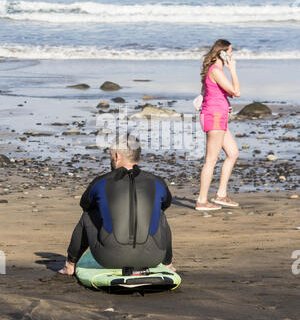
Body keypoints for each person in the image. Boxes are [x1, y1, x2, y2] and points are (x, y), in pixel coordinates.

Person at [59, 133, 175, 275]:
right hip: (153, 257)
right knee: (160, 215)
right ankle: (168, 264)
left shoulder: (101, 182)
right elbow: (166, 203)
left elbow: (85, 204)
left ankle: (70, 265)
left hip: (109, 258)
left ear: (117, 156)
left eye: (111, 155)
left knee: (89, 214)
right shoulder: (157, 182)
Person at [196, 39, 241, 211]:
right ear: (222, 53)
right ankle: (201, 200)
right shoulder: (216, 70)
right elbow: (236, 92)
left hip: (218, 116)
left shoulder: (216, 69)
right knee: (211, 160)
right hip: (214, 117)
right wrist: (233, 70)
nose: (232, 54)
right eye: (230, 51)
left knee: (233, 152)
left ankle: (221, 194)